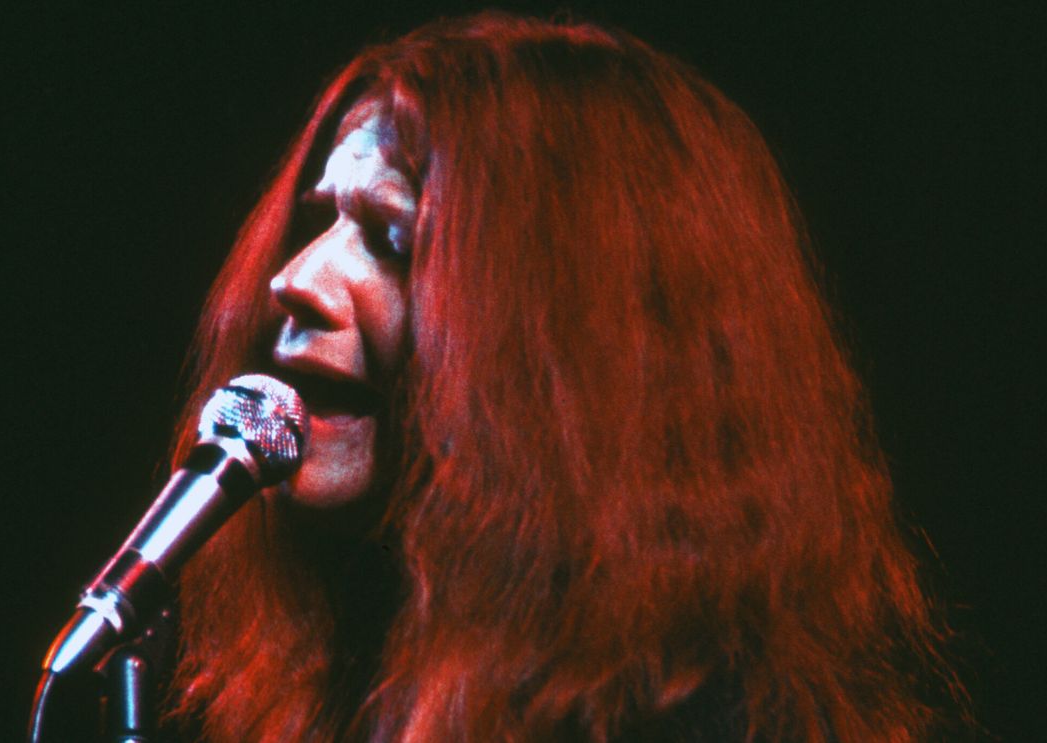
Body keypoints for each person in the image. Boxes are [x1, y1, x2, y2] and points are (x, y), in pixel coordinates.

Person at [165, 12, 963, 742]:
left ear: (564, 343)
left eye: (392, 238)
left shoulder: (700, 718)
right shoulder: (348, 679)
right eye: (321, 222)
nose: (293, 277)